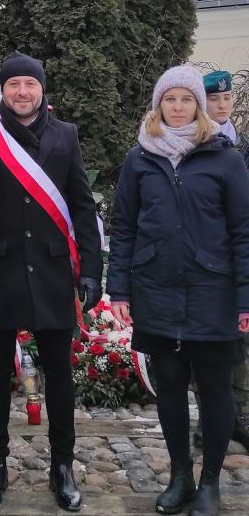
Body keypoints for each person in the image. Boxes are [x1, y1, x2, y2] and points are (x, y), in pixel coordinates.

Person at [0, 52, 103, 512]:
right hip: (0, 270)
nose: (22, 92)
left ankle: (62, 465)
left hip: (53, 273)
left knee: (58, 375)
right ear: (2, 90)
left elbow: (81, 207)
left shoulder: (66, 136)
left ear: (41, 90)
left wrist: (90, 269)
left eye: (29, 85)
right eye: (13, 85)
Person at [107, 64, 249, 516]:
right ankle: (180, 476)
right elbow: (124, 226)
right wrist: (120, 291)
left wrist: (246, 297)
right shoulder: (140, 159)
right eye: (170, 99)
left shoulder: (224, 158)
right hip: (157, 290)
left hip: (214, 292)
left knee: (214, 389)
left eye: (187, 99)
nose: (178, 106)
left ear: (199, 106)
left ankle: (210, 483)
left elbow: (244, 230)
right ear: (159, 105)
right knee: (168, 387)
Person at [198, 70, 249, 454]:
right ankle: (209, 421)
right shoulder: (194, 144)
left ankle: (238, 417)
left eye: (226, 99)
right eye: (213, 100)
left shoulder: (241, 146)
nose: (221, 105)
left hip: (241, 256)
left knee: (241, 343)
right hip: (208, 260)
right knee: (210, 347)